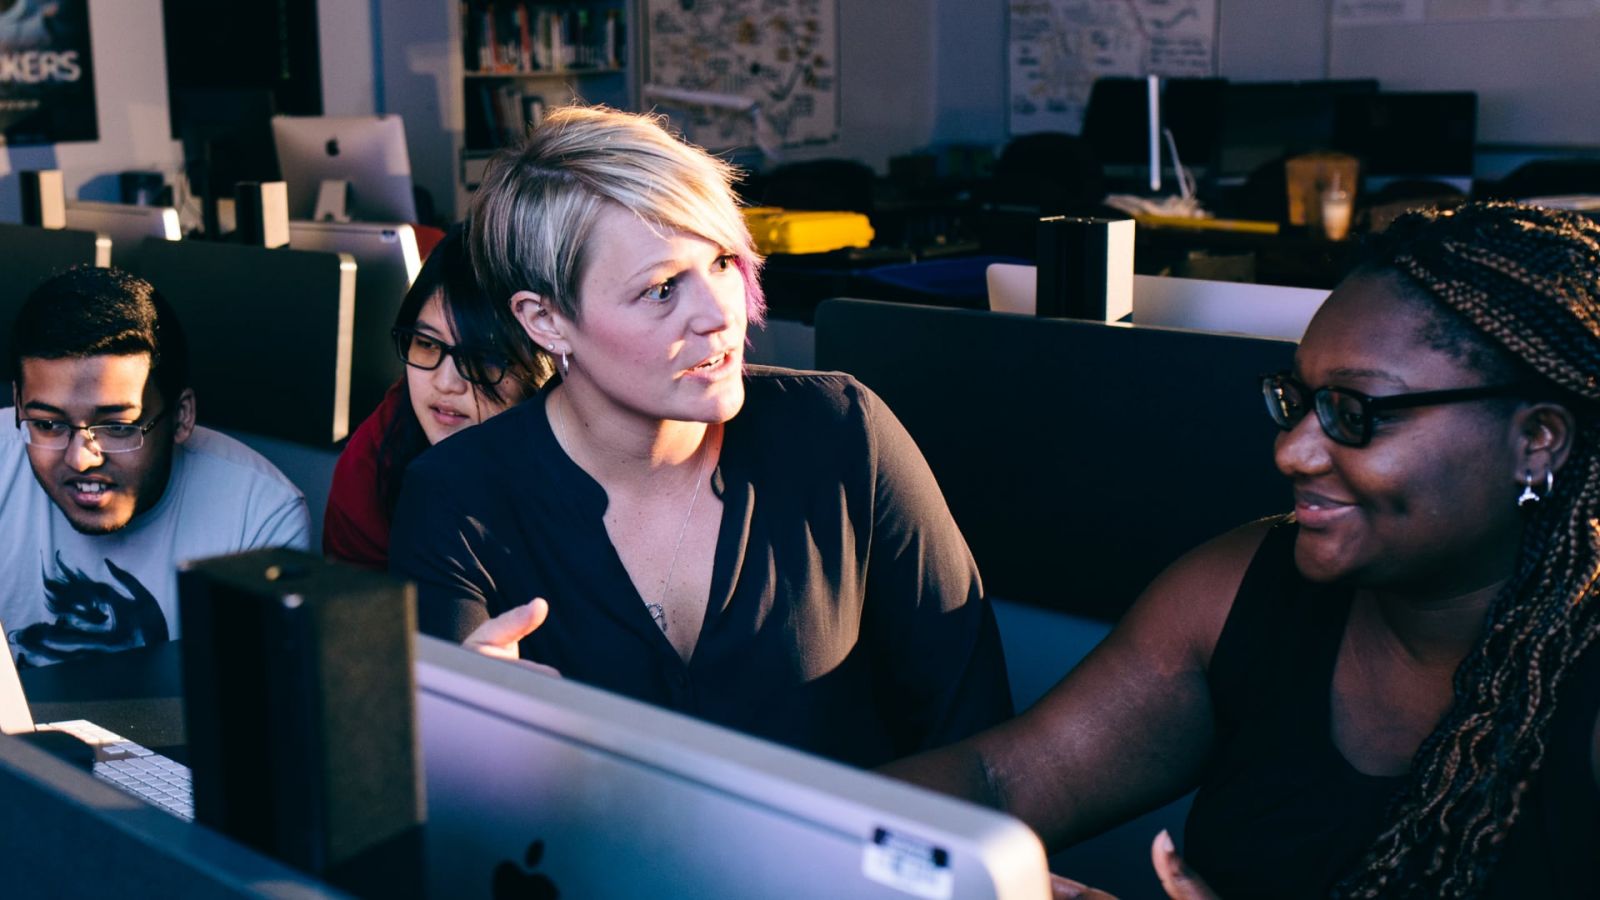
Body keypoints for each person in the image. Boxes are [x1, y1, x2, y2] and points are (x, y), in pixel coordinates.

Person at [886, 202, 1600, 900]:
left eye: (1355, 413)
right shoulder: (1240, 589)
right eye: (1298, 401)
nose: (1291, 451)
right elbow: (999, 781)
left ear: (1536, 441)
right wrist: (811, 835)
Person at [388, 105, 1012, 767]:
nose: (721, 313)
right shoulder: (456, 497)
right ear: (546, 322)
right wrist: (461, 735)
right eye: (661, 290)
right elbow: (439, 806)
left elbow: (975, 735)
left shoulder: (840, 433)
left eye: (720, 262)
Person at [1, 266, 311, 666]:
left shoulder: (260, 513)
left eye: (117, 427)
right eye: (47, 424)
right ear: (19, 404)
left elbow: (257, 705)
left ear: (182, 416)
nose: (80, 458)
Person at [323, 225, 548, 568]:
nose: (446, 383)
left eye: (482, 358)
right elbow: (359, 610)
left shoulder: (585, 461)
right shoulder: (375, 459)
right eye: (427, 345)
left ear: (542, 361)